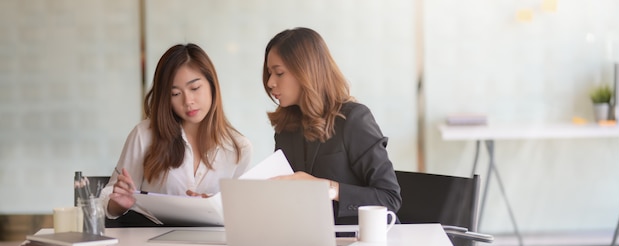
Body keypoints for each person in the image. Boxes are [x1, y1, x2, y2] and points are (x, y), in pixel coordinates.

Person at [101, 43, 252, 224]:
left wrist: (216, 205)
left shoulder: (238, 148)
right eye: (175, 93)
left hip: (211, 245)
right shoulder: (144, 135)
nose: (188, 101)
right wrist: (119, 204)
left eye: (195, 88)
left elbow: (244, 212)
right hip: (148, 243)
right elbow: (108, 198)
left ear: (212, 86)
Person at [263, 27, 401, 225]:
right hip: (309, 241)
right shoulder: (285, 128)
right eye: (269, 73)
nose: (270, 82)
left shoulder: (353, 119)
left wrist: (328, 188)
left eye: (279, 73)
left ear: (306, 72)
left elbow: (389, 198)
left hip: (360, 242)